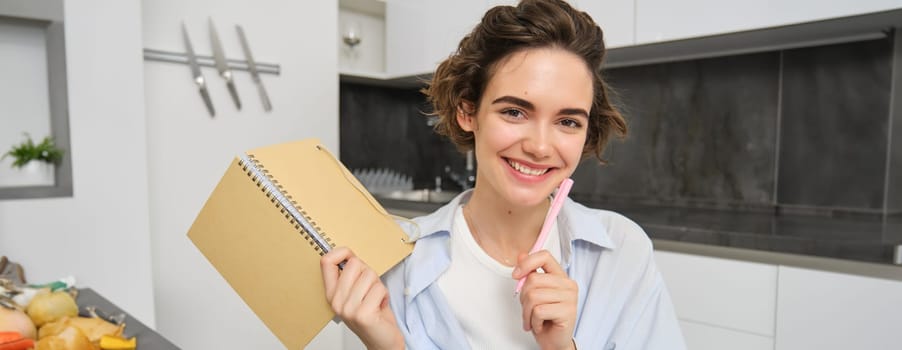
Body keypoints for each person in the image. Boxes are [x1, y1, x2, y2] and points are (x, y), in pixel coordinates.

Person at [321, 0, 686, 348]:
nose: (541, 147)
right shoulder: (399, 260)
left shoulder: (622, 252)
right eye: (514, 112)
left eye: (568, 121)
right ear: (468, 111)